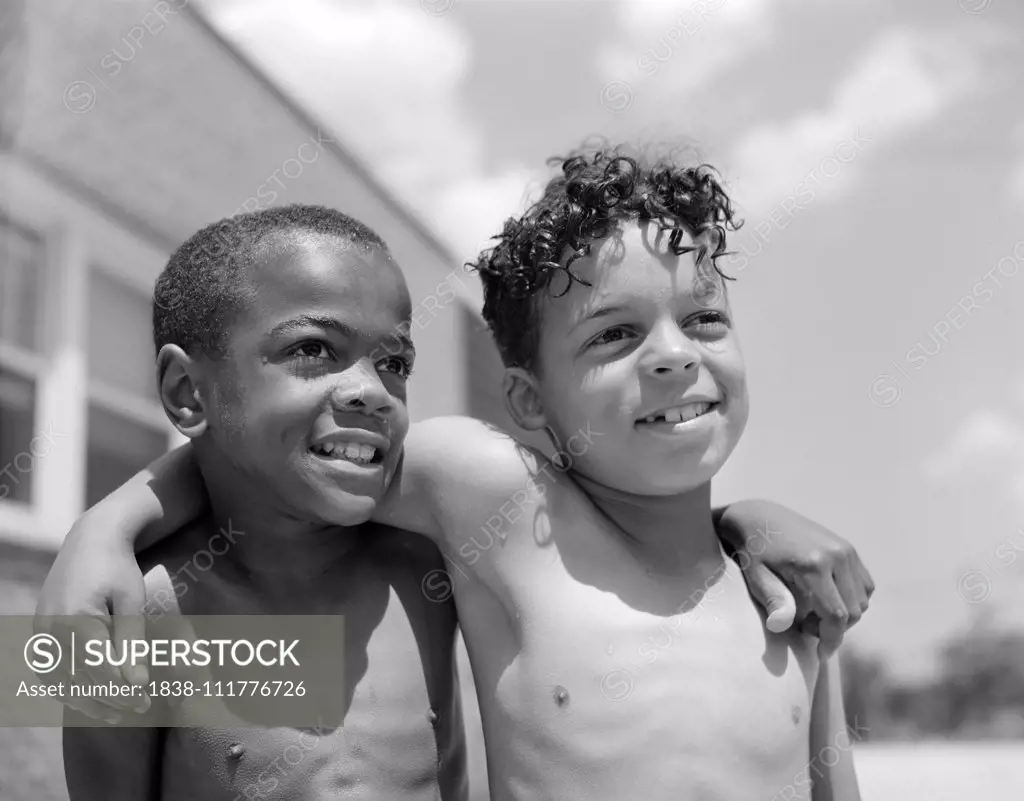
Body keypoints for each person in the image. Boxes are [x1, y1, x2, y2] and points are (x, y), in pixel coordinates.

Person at [40, 151, 871, 799]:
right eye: (614, 334)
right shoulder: (485, 501)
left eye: (395, 360)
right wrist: (99, 528)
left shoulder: (783, 600)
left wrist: (746, 518)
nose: (672, 354)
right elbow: (265, 459)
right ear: (527, 398)